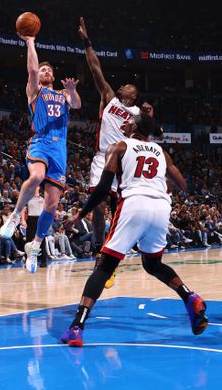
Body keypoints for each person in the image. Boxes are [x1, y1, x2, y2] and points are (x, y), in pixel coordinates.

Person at [59, 110, 207, 347]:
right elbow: (182, 184)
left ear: (135, 128)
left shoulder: (119, 147)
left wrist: (81, 213)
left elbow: (103, 188)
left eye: (128, 120)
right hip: (160, 206)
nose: (124, 122)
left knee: (105, 266)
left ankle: (77, 327)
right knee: (152, 264)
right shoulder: (161, 152)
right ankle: (189, 297)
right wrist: (156, 183)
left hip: (134, 202)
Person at [0, 31, 81, 273]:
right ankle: (15, 216)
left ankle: (34, 246)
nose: (45, 72)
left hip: (60, 149)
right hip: (41, 142)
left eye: (48, 71)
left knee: (52, 204)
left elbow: (76, 104)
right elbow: (33, 71)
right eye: (43, 70)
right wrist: (31, 42)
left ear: (54, 76)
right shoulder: (35, 92)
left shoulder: (63, 94)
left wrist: (73, 89)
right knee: (35, 177)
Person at [78, 17, 144, 287]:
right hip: (102, 158)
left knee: (123, 209)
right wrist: (86, 40)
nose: (122, 85)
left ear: (134, 95)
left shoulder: (138, 113)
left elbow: (148, 137)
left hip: (126, 163)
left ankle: (115, 251)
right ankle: (97, 249)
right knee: (98, 203)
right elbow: (95, 68)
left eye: (128, 85)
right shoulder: (109, 98)